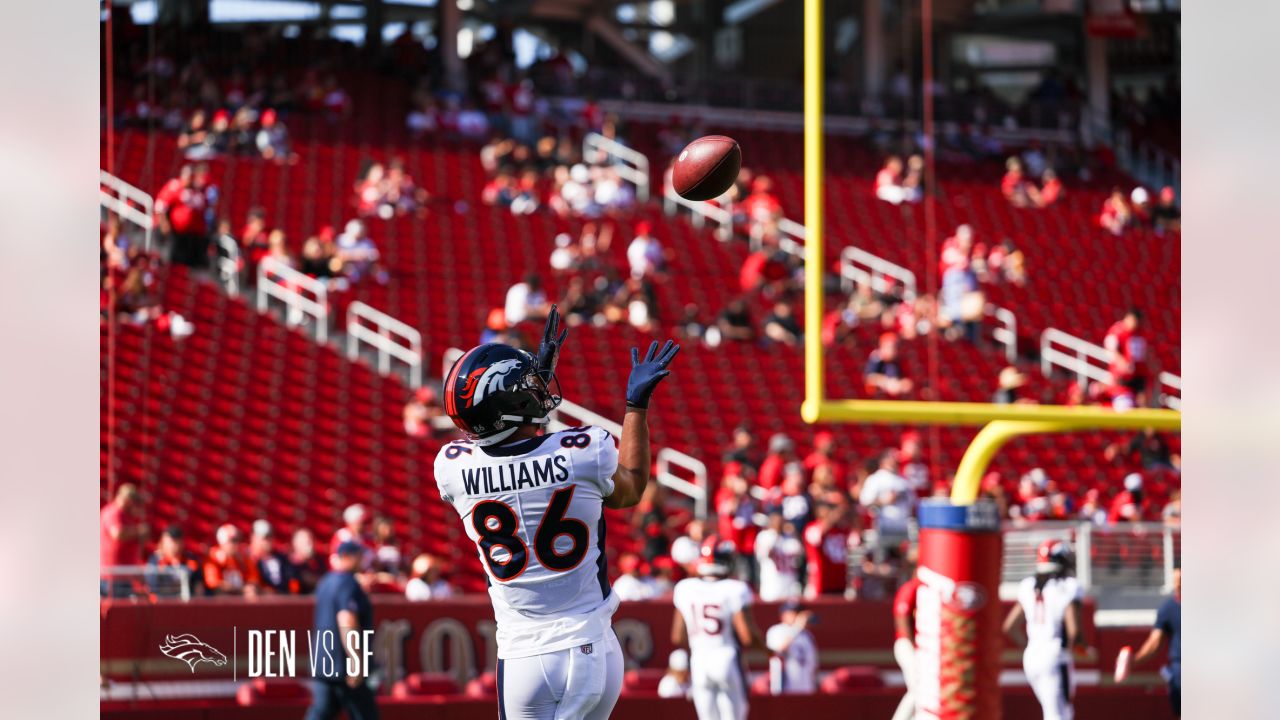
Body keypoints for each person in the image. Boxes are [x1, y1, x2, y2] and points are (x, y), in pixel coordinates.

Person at [436, 307, 680, 719]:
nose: (539, 388)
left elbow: (508, 456)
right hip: (590, 649)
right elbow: (632, 487)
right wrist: (635, 407)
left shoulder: (452, 468)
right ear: (511, 404)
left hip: (522, 657)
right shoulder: (586, 450)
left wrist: (522, 391)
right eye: (528, 386)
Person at [672, 537, 765, 720]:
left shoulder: (685, 588)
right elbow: (746, 636)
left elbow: (678, 637)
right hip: (726, 656)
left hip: (699, 661)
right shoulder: (735, 588)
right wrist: (767, 652)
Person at [1002, 540, 1084, 720]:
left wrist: (1031, 645)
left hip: (1032, 657)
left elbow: (1009, 627)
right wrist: (1080, 647)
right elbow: (1073, 631)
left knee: (1054, 711)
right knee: (1059, 714)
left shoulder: (1028, 585)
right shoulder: (1069, 586)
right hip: (1055, 655)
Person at [305, 541, 378, 720]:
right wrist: (355, 659)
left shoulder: (325, 582)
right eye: (359, 556)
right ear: (346, 557)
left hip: (323, 664)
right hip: (342, 664)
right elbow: (346, 618)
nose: (362, 561)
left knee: (321, 713)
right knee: (365, 715)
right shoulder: (348, 582)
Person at [1122, 567, 1180, 716]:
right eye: (1176, 581)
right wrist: (1134, 661)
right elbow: (1154, 643)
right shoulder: (1168, 609)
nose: (1178, 585)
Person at [101, 483, 149, 596]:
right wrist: (139, 531)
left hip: (123, 576)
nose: (134, 505)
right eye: (132, 501)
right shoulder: (113, 512)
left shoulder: (126, 516)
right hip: (113, 576)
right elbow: (118, 533)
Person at [766, 600, 818, 695]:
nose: (796, 616)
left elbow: (813, 662)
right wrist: (797, 628)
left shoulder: (806, 635)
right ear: (783, 615)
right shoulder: (776, 630)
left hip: (806, 687)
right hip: (785, 687)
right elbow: (777, 652)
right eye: (793, 613)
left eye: (798, 613)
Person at [754, 511, 804, 602]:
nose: (779, 523)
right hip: (772, 584)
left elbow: (800, 552)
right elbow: (765, 554)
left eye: (781, 521)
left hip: (790, 583)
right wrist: (775, 534)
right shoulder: (764, 536)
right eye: (776, 521)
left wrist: (794, 533)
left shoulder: (790, 537)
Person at [891, 574, 922, 720]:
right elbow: (902, 618)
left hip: (921, 648)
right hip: (907, 644)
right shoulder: (912, 587)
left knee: (924, 691)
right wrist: (913, 647)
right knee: (919, 689)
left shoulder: (932, 589)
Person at [203, 524, 262, 596]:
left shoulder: (242, 556)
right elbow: (214, 584)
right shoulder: (213, 557)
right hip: (222, 599)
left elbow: (254, 579)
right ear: (223, 542)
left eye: (237, 540)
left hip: (241, 597)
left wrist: (249, 587)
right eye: (233, 541)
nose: (236, 544)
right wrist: (241, 589)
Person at [146, 526, 204, 598]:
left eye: (176, 541)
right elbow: (152, 587)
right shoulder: (156, 560)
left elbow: (198, 585)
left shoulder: (190, 559)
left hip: (186, 603)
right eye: (171, 542)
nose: (173, 545)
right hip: (163, 603)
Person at [250, 519, 293, 594]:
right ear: (254, 537)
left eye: (270, 536)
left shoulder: (280, 559)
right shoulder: (247, 558)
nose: (268, 540)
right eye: (265, 537)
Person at [865, 333, 914, 398]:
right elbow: (869, 378)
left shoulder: (895, 362)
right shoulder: (876, 358)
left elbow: (898, 379)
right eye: (891, 347)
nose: (894, 350)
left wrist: (902, 384)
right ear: (882, 346)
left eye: (895, 347)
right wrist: (887, 382)